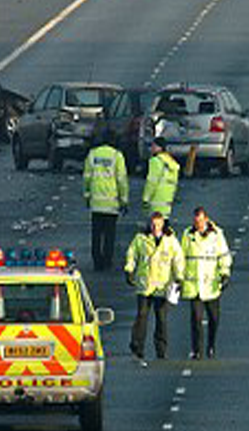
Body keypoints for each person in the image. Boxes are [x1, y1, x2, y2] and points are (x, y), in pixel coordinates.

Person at [125, 211, 185, 364]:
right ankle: (138, 347)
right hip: (145, 285)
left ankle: (161, 350)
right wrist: (129, 270)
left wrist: (179, 277)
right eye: (153, 224)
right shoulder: (141, 239)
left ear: (163, 224)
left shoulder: (170, 241)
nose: (155, 227)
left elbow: (178, 259)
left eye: (158, 224)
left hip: (162, 286)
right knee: (142, 317)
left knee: (161, 319)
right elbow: (132, 254)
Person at [181, 206, 233, 360]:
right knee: (196, 319)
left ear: (206, 219)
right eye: (196, 221)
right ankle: (196, 350)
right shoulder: (187, 234)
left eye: (201, 221)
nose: (198, 224)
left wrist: (224, 273)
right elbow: (181, 257)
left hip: (211, 285)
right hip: (194, 285)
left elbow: (224, 255)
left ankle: (211, 346)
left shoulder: (217, 235)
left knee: (213, 318)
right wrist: (178, 277)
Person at [83, 125, 129, 270]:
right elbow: (121, 180)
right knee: (110, 234)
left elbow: (87, 177)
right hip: (111, 202)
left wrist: (87, 196)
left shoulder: (93, 154)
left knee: (96, 233)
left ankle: (97, 261)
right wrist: (124, 200)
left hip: (96, 202)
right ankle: (107, 260)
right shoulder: (117, 156)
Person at [142, 137, 180, 220]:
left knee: (154, 228)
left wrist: (146, 198)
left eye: (153, 146)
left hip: (156, 200)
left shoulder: (155, 161)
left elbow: (152, 182)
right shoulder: (171, 162)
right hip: (167, 201)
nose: (151, 148)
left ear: (159, 147)